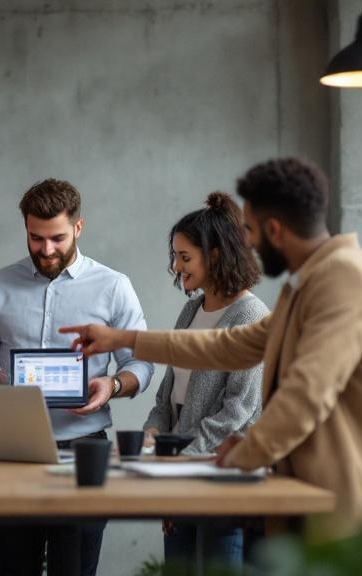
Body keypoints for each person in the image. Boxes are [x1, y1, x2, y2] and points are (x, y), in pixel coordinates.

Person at [61, 157, 362, 543]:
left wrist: (230, 458)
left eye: (249, 229)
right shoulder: (306, 285)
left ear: (274, 229)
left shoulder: (344, 279)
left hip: (354, 503)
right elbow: (231, 345)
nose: (247, 243)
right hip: (315, 498)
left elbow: (307, 396)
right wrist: (125, 339)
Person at [0, 179, 154, 575]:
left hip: (84, 451)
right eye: (35, 238)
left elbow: (141, 365)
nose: (46, 250)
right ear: (26, 229)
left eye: (57, 238)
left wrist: (112, 386)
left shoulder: (113, 286)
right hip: (11, 451)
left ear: (78, 227)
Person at [143, 191, 269, 570]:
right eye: (175, 257)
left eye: (185, 257)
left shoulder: (250, 314)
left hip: (222, 477)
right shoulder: (190, 310)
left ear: (213, 255)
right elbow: (167, 394)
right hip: (181, 470)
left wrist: (182, 462)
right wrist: (153, 436)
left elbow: (240, 411)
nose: (177, 267)